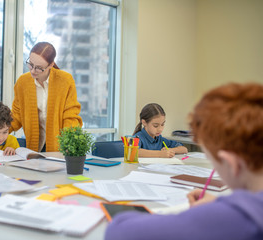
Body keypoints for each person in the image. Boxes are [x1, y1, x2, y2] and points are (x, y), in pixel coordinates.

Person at [105, 82, 263, 240]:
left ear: (231, 164)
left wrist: (220, 210)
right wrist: (218, 203)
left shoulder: (236, 220)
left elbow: (117, 230)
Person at [10, 42, 82, 152]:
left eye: (39, 68)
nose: (32, 71)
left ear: (51, 65)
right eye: (30, 64)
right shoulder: (22, 82)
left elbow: (70, 116)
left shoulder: (65, 81)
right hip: (35, 147)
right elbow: (16, 115)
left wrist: (68, 142)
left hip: (59, 147)